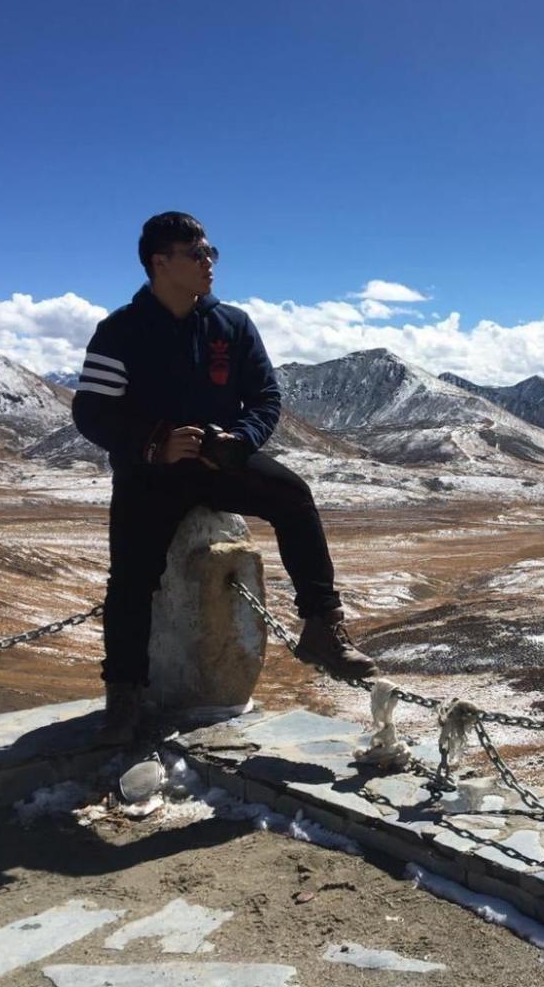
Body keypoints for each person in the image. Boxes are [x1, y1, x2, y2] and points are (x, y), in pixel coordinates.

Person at [72, 211, 377, 741]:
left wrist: (240, 441)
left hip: (220, 467)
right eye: (197, 254)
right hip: (150, 474)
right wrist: (155, 444)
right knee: (131, 579)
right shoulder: (119, 331)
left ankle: (322, 629)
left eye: (211, 252)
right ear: (160, 262)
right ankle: (124, 695)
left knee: (293, 497)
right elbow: (92, 412)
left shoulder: (232, 325)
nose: (209, 262)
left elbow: (265, 397)